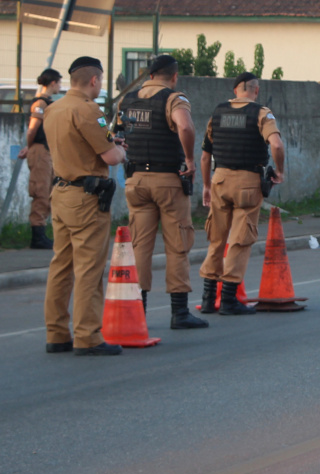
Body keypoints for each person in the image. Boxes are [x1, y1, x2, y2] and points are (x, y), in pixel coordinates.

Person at [42, 57, 127, 355]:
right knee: (89, 268)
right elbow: (110, 157)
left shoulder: (52, 109)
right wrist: (120, 149)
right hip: (87, 198)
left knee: (60, 266)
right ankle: (87, 336)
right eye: (100, 81)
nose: (100, 86)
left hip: (61, 193)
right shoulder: (91, 111)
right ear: (94, 80)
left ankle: (56, 333)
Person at [117, 54, 208, 329]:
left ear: (149, 75)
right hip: (168, 180)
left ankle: (138, 310)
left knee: (140, 247)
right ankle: (179, 313)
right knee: (178, 244)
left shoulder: (127, 100)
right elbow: (185, 125)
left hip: (135, 182)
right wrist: (191, 162)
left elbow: (111, 132)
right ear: (174, 76)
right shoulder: (173, 99)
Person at [198, 72, 285, 315]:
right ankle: (228, 299)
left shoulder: (217, 112)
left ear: (235, 90)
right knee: (240, 238)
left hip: (220, 179)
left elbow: (205, 155)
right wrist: (280, 171)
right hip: (247, 181)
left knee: (217, 238)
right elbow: (276, 144)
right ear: (255, 91)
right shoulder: (260, 113)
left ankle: (207, 298)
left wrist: (206, 185)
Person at [17, 68, 62, 249]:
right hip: (40, 151)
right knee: (41, 191)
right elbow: (33, 128)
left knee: (49, 191)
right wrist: (30, 146)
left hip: (46, 151)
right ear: (53, 83)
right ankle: (37, 235)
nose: (60, 86)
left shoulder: (47, 102)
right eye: (59, 82)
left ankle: (42, 232)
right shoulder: (41, 103)